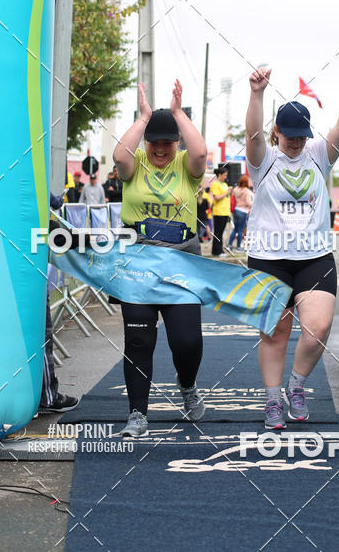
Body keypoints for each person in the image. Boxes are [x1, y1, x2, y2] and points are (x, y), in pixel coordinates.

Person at [245, 66, 339, 428]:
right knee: (275, 333)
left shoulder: (318, 154)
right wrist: (256, 93)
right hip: (268, 258)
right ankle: (273, 401)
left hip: (314, 257)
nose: (297, 143)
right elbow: (252, 134)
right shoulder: (264, 160)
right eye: (290, 136)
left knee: (318, 329)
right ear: (277, 131)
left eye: (302, 136)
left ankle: (296, 386)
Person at [113, 80, 207, 438]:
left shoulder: (186, 165)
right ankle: (137, 414)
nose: (161, 148)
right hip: (137, 264)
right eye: (155, 142)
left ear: (177, 142)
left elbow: (201, 152)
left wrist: (179, 113)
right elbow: (119, 156)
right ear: (146, 142)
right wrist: (144, 118)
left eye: (168, 141)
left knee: (187, 341)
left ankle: (187, 385)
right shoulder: (135, 163)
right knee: (139, 340)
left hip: (182, 265)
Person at [38, 193, 79, 414]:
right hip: (29, 277)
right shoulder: (30, 185)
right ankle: (47, 397)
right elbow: (52, 201)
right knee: (40, 336)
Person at [227, 175, 254, 251]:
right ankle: (238, 247)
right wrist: (254, 204)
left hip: (235, 210)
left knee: (235, 229)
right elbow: (248, 203)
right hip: (243, 211)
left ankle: (229, 245)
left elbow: (233, 198)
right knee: (241, 230)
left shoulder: (236, 189)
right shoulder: (247, 191)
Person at [210, 165, 232, 257]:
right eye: (225, 175)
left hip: (225, 212)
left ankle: (220, 250)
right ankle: (217, 251)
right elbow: (217, 198)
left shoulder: (225, 184)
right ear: (219, 175)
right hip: (219, 212)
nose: (226, 177)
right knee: (218, 232)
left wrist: (230, 192)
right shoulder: (215, 184)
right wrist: (226, 192)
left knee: (221, 232)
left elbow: (227, 197)